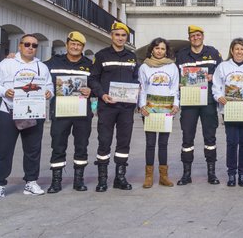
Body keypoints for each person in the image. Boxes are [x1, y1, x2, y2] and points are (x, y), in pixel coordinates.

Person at [0, 34, 54, 200]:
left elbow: (50, 86)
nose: (30, 48)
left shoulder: (42, 67)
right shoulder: (7, 63)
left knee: (33, 150)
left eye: (34, 45)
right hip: (8, 112)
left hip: (33, 113)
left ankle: (31, 182)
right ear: (19, 46)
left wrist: (48, 93)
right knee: (3, 150)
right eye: (27, 44)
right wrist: (5, 91)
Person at [89, 22, 139, 192]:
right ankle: (102, 179)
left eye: (123, 35)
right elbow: (93, 79)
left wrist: (136, 93)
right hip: (107, 106)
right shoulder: (101, 56)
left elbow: (136, 79)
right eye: (117, 35)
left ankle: (120, 177)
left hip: (126, 108)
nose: (120, 38)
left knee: (124, 142)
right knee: (104, 141)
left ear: (126, 37)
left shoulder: (132, 57)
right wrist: (102, 94)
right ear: (111, 36)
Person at [45, 31, 94, 193]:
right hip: (61, 112)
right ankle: (56, 181)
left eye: (78, 45)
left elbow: (98, 84)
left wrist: (91, 91)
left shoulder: (89, 64)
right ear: (67, 45)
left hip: (82, 113)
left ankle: (78, 180)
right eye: (72, 44)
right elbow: (36, 70)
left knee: (81, 146)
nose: (75, 47)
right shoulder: (53, 62)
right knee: (58, 145)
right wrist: (14, 58)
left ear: (82, 47)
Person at [176, 25, 222, 185]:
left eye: (198, 35)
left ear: (203, 36)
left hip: (208, 102)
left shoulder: (213, 53)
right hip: (189, 103)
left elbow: (221, 74)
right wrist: (179, 84)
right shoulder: (181, 55)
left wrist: (213, 77)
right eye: (192, 36)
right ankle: (186, 174)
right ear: (189, 38)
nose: (195, 38)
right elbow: (176, 76)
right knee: (187, 138)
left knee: (210, 137)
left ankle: (212, 173)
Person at [212, 38, 243, 187]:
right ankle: (231, 173)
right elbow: (216, 85)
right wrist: (219, 96)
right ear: (232, 51)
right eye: (237, 49)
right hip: (229, 108)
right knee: (232, 141)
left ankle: (242, 174)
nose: (239, 52)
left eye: (242, 49)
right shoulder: (223, 66)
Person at [139, 38, 180, 189]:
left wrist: (176, 104)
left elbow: (175, 87)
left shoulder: (172, 67)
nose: (159, 51)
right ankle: (148, 176)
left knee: (163, 144)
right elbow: (142, 88)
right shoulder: (144, 66)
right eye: (157, 48)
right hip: (149, 110)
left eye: (162, 49)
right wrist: (142, 106)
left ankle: (164, 176)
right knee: (150, 143)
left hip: (167, 109)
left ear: (166, 51)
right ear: (152, 50)